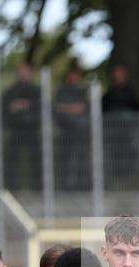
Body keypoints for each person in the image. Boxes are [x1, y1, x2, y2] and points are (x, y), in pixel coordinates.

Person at [3, 62, 42, 191]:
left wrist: (27, 105)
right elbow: (6, 106)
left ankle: (38, 188)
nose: (24, 75)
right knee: (12, 160)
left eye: (26, 72)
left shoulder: (36, 91)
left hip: (32, 129)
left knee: (35, 160)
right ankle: (11, 188)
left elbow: (40, 107)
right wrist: (15, 106)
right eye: (21, 72)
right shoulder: (11, 91)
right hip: (16, 130)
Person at [54, 63, 90, 191]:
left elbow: (82, 108)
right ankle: (65, 187)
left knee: (81, 159)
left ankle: (81, 186)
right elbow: (57, 108)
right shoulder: (61, 90)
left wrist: (66, 108)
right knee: (64, 160)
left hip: (80, 133)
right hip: (65, 132)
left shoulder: (83, 91)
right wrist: (72, 108)